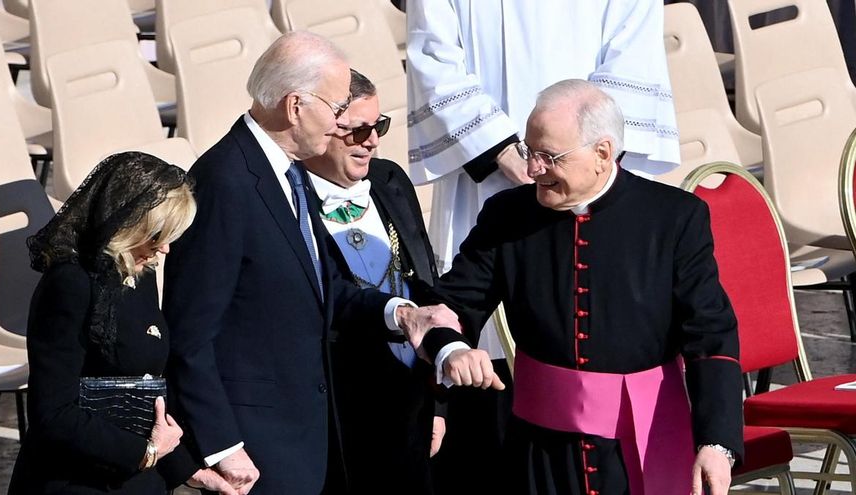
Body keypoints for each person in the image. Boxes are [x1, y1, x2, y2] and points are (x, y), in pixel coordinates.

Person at [161, 32, 487, 495]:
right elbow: (190, 332)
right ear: (295, 106)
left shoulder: (287, 172)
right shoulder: (225, 181)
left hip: (308, 438)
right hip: (256, 449)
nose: (338, 125)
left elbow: (323, 286)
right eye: (336, 109)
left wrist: (400, 313)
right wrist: (222, 445)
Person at [425, 80, 743, 495]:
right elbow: (452, 303)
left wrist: (717, 442)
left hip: (643, 444)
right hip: (539, 452)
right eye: (529, 151)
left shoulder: (674, 218)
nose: (533, 169)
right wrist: (450, 347)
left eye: (549, 156)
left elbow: (710, 333)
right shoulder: (507, 215)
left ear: (602, 153)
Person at [406, 4, 680, 484]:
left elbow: (630, 49)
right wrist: (504, 151)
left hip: (589, 176)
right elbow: (433, 54)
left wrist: (577, 158)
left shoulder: (679, 218)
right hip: (486, 180)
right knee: (481, 380)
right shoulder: (503, 206)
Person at [8, 152, 235, 494]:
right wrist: (146, 452)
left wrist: (187, 470)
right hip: (77, 481)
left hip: (136, 476)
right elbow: (53, 414)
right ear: (126, 224)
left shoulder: (137, 273)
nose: (164, 249)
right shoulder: (70, 284)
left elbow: (143, 393)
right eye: (156, 235)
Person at [302, 69, 442, 494]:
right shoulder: (290, 196)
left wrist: (439, 403)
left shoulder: (389, 179)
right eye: (357, 130)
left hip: (411, 398)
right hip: (338, 409)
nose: (372, 141)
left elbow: (424, 280)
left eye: (378, 126)